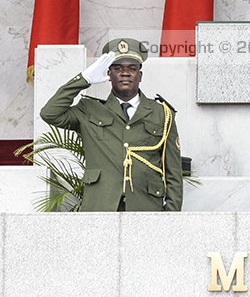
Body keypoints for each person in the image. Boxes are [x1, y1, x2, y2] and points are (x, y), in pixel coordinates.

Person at [40, 38, 183, 211]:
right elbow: (49, 113)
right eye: (117, 68)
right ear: (108, 74)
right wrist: (84, 79)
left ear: (140, 75)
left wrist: (171, 216)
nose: (125, 73)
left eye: (132, 68)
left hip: (146, 207)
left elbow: (173, 172)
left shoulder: (162, 113)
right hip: (100, 205)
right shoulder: (88, 110)